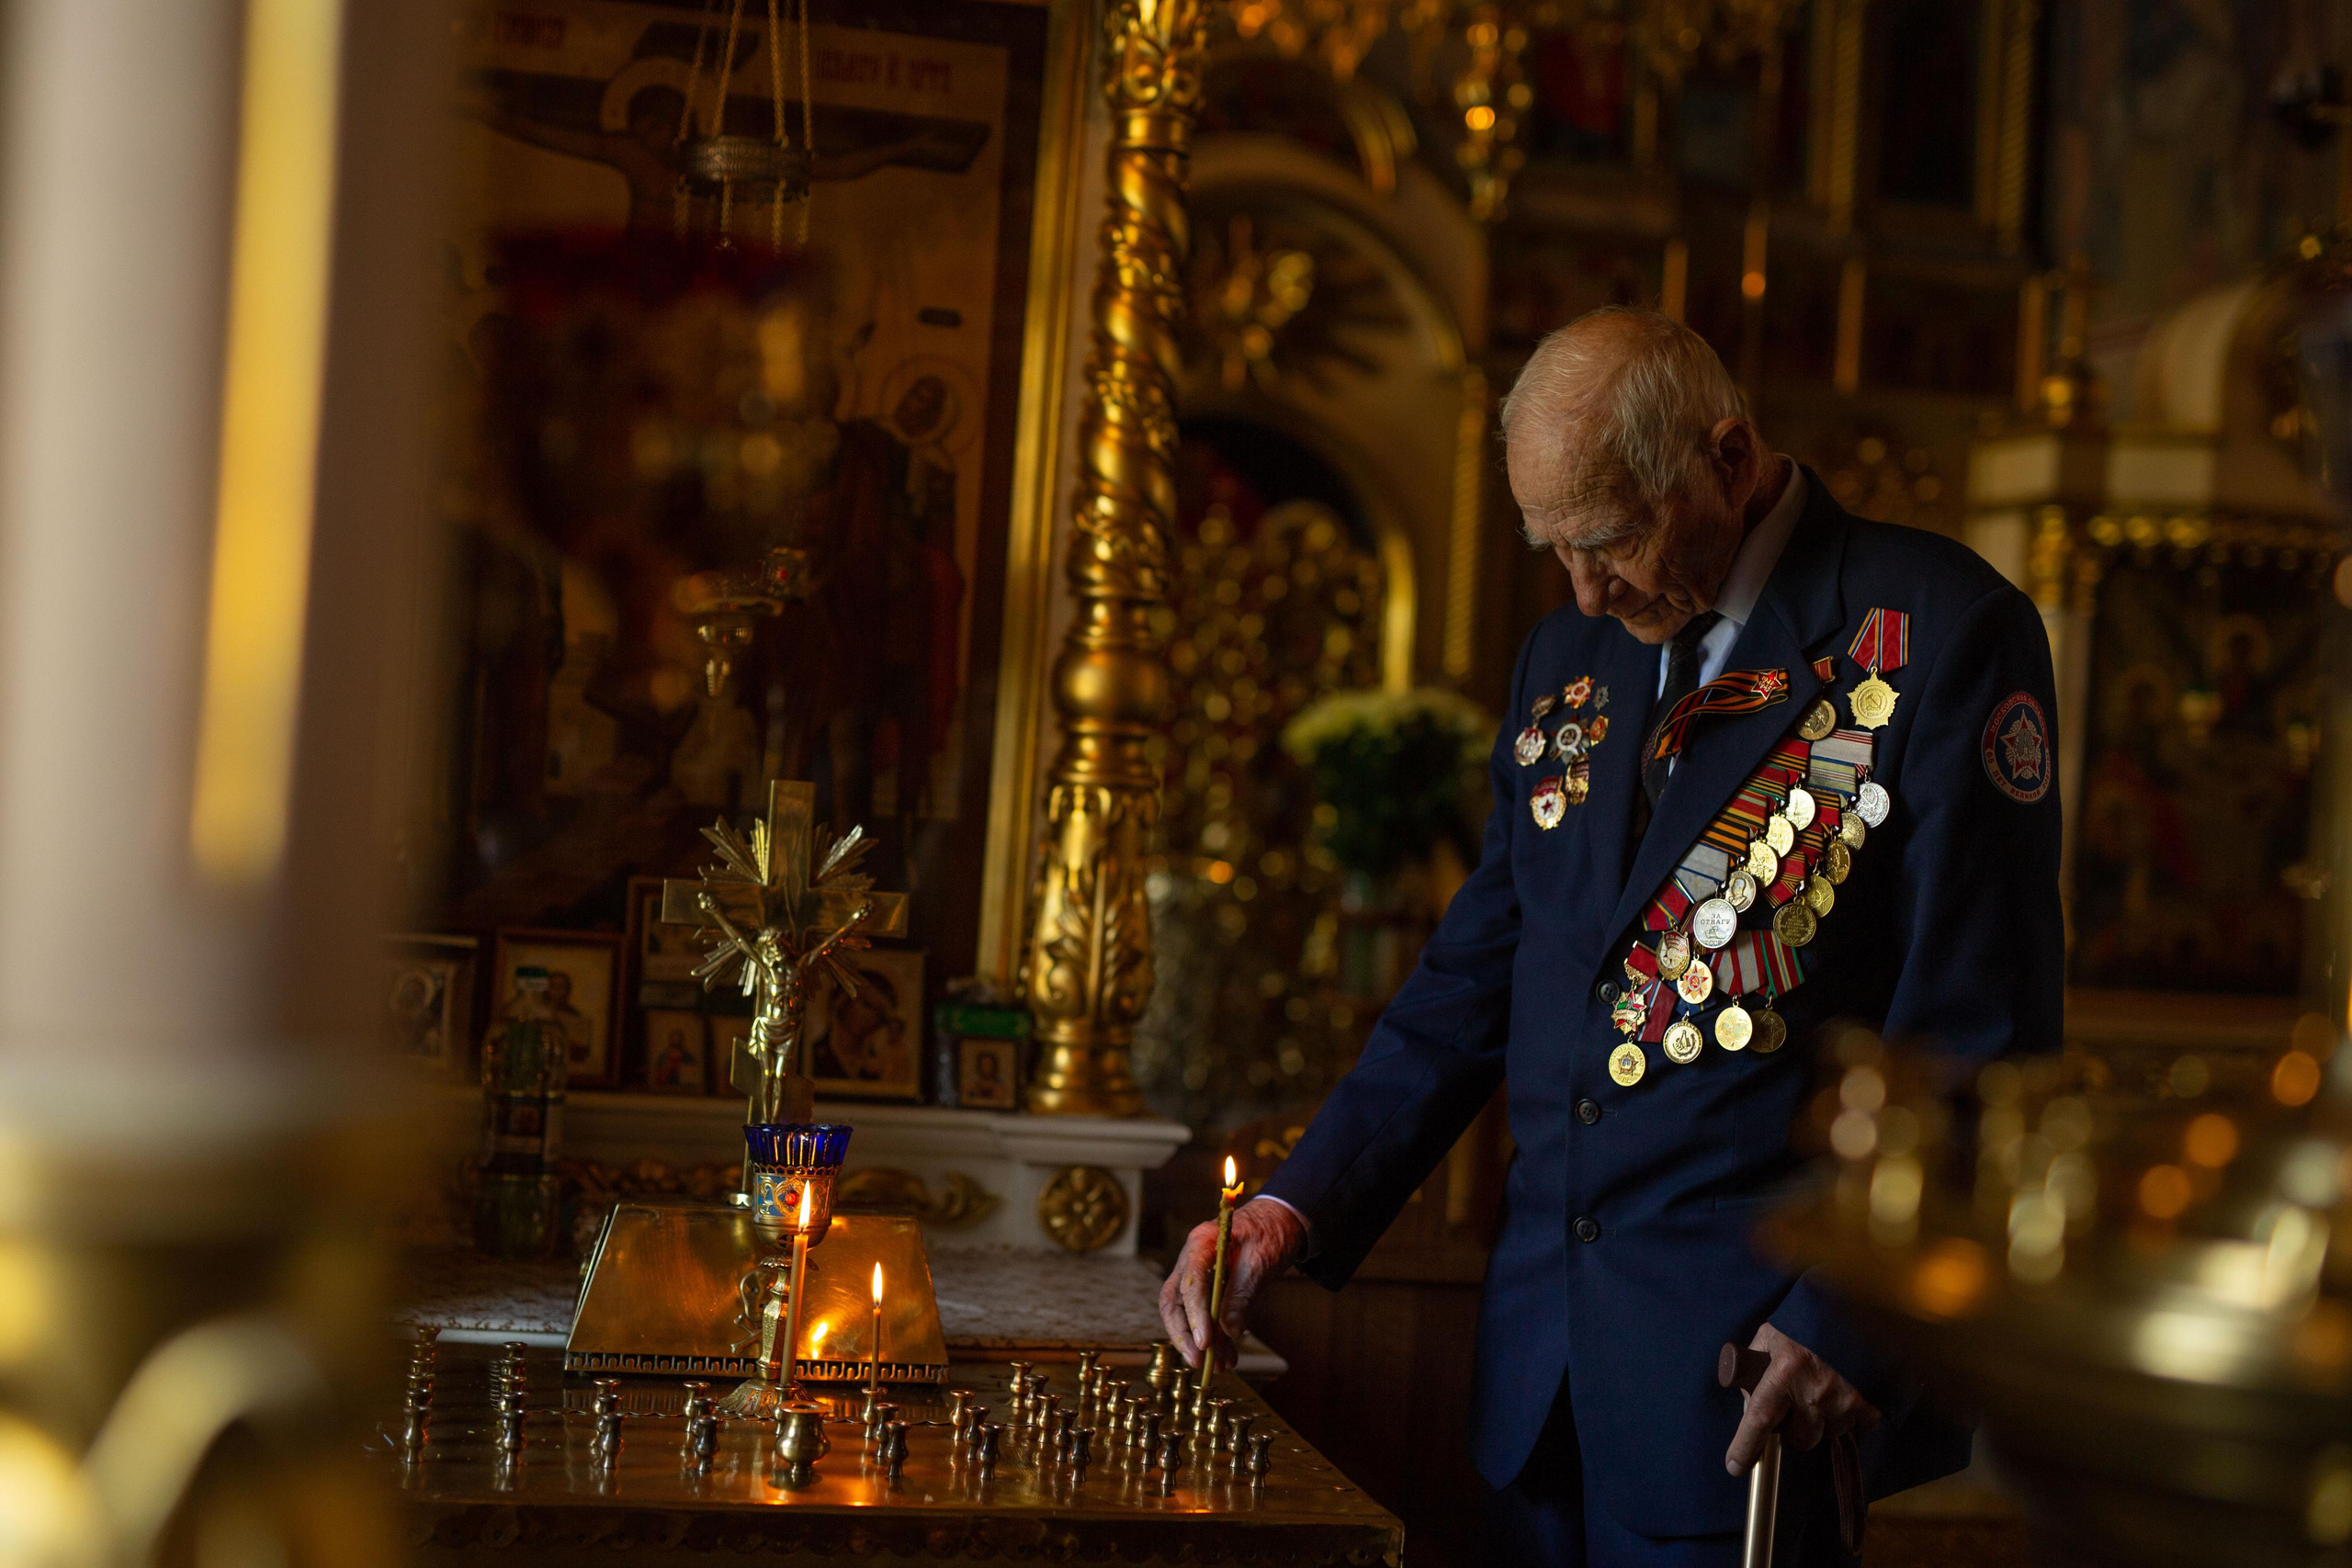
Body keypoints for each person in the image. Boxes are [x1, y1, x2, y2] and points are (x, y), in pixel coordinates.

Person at [1159, 308, 2063, 1566]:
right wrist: (1294, 1206)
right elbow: (1477, 974)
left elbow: (1980, 1042)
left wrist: (1850, 1326)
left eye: (1612, 539)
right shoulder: (1570, 653)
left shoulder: (1937, 636)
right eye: (1555, 549)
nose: (1586, 590)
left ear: (1728, 460)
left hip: (1757, 1385)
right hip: (1540, 1384)